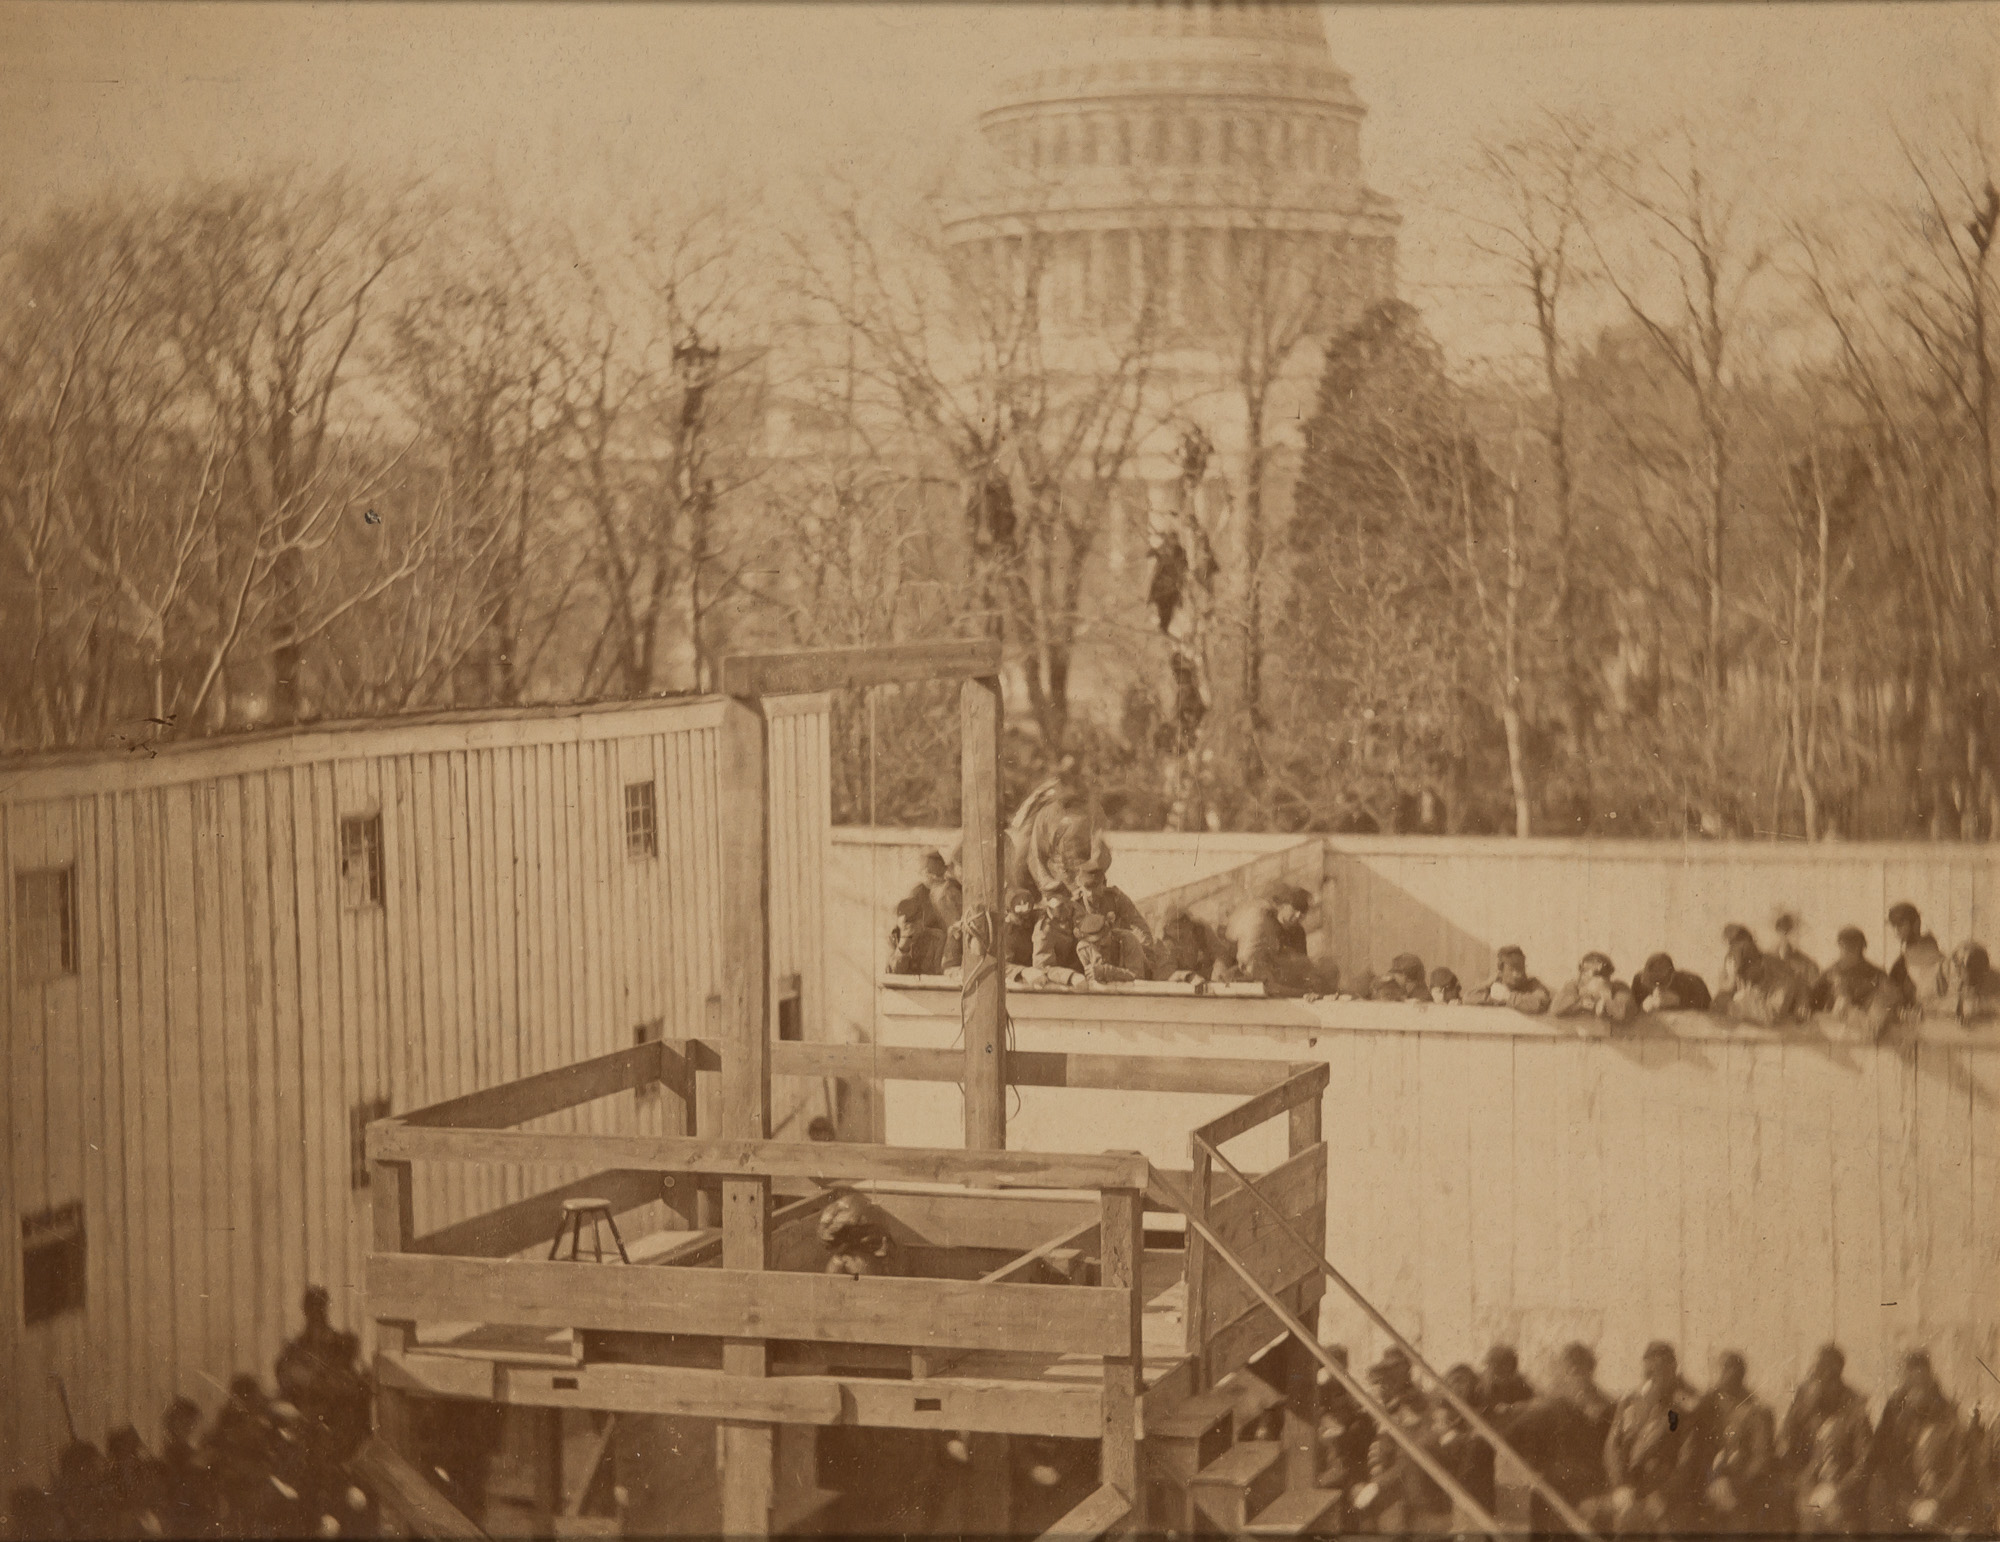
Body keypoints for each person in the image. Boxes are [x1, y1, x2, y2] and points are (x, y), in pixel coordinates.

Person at [1508, 1343, 1615, 1539]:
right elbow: (1520, 1437)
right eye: (1570, 1369)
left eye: (1579, 1369)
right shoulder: (1551, 1405)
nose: (1575, 1375)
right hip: (1559, 1485)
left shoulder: (1606, 1406)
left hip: (1586, 1487)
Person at [1603, 1340, 1700, 1534]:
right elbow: (1612, 1447)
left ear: (1673, 1372)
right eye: (1651, 1373)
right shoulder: (1629, 1404)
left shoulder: (1682, 1413)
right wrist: (1620, 1485)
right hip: (1628, 1491)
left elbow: (1687, 1462)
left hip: (1664, 1495)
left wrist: (1664, 1495)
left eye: (1663, 1372)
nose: (1656, 1379)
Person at [1780, 1343, 1872, 1534]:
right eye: (1817, 1373)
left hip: (1843, 1494)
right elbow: (1785, 1446)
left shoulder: (1855, 1407)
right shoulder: (1803, 1401)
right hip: (1808, 1489)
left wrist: (1837, 1490)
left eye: (1827, 1374)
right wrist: (1803, 1483)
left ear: (1837, 1376)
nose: (1820, 1379)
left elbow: (1864, 1461)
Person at [1690, 1351, 1780, 1536]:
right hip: (1706, 1482)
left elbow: (1761, 1457)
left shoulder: (1757, 1410)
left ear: (1742, 1374)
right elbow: (1694, 1449)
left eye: (1732, 1370)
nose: (1727, 1375)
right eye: (1723, 1370)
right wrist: (1712, 1480)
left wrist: (1736, 1485)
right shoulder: (1706, 1405)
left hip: (1742, 1487)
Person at [1870, 1350, 1961, 1531]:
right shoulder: (1895, 1408)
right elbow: (1882, 1457)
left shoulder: (1946, 1410)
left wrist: (1937, 1499)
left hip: (1936, 1497)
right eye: (1911, 1381)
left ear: (1930, 1377)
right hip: (1900, 1495)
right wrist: (1907, 1502)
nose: (1916, 1388)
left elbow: (1958, 1463)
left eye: (1922, 1381)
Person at [1221, 882, 1327, 997]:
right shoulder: (1264, 923)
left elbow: (1301, 965)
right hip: (1252, 976)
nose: (1298, 916)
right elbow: (1249, 959)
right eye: (1294, 909)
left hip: (1278, 979)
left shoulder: (1298, 932)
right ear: (1283, 906)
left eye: (1302, 913)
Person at [1810, 927, 1898, 1034]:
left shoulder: (1877, 974)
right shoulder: (1831, 973)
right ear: (1840, 946)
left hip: (1868, 1030)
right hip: (1836, 1029)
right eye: (1846, 946)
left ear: (1862, 947)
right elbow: (1812, 1000)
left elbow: (1892, 1000)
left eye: (1855, 946)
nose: (1851, 950)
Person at [1718, 935, 1810, 1027]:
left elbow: (1771, 1016)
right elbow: (1717, 1003)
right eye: (1739, 975)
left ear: (1760, 963)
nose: (1743, 980)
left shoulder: (1782, 977)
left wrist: (1740, 1003)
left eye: (1745, 973)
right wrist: (1731, 982)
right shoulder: (1739, 975)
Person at [1888, 903, 1952, 1015]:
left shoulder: (1940, 960)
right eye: (1894, 926)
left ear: (1915, 924)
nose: (1896, 931)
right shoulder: (1900, 962)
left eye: (1901, 925)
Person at [1553, 952, 1639, 1024]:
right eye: (1584, 972)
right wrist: (1580, 1004)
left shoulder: (1619, 988)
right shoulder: (1574, 986)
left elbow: (1623, 1014)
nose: (1583, 976)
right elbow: (1556, 1009)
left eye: (1600, 975)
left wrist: (1606, 999)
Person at [1467, 946, 1553, 1014]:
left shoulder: (1533, 984)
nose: (1517, 974)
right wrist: (1491, 981)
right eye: (1512, 969)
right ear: (1501, 970)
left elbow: (1540, 1003)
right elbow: (1468, 997)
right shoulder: (1495, 985)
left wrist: (1508, 996)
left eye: (1521, 968)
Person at [887, 894, 948, 976]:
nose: (910, 929)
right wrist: (904, 944)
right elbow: (895, 972)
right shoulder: (893, 938)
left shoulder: (937, 938)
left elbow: (940, 972)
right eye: (905, 925)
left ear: (921, 922)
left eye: (914, 923)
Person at [1632, 953, 1712, 1014]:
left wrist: (1680, 1002)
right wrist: (1643, 1007)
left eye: (1661, 985)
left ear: (1672, 975)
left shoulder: (1692, 982)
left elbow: (1707, 1009)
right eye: (1653, 984)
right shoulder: (1639, 981)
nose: (1657, 989)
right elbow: (1632, 1009)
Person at [1479, 1344, 1537, 1427]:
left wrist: (1511, 1408)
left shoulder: (1518, 1383)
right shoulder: (1479, 1388)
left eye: (1509, 1371)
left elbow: (1537, 1402)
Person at [1033, 890, 1081, 974]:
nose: (1067, 909)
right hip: (1060, 975)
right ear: (1050, 908)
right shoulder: (1044, 930)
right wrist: (1071, 976)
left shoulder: (1074, 909)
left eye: (1068, 903)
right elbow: (1043, 966)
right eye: (1060, 907)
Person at [1950, 942, 2000, 1023]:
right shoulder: (1959, 983)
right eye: (1956, 966)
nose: (1957, 972)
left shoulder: (1994, 982)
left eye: (1961, 966)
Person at [1773, 909, 1823, 988]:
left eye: (1791, 932)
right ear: (1777, 932)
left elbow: (1815, 990)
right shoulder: (1767, 961)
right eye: (1783, 931)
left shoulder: (1809, 965)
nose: (1786, 937)